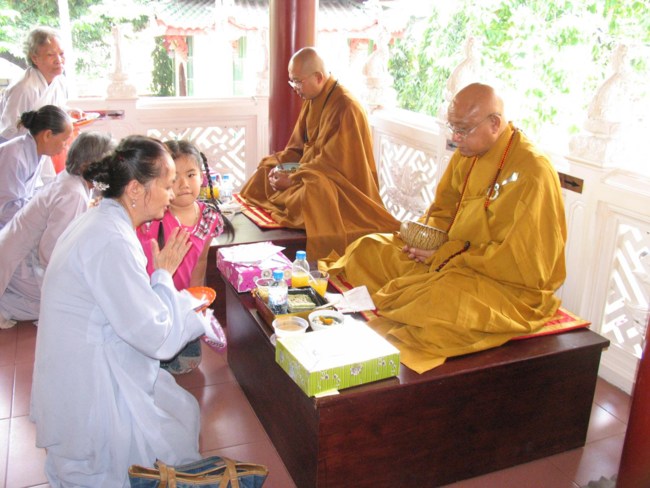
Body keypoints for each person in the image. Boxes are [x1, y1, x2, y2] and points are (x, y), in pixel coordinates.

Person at [321, 83, 567, 373]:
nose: (455, 138)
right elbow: (443, 210)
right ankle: (402, 297)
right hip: (446, 257)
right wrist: (426, 242)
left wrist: (447, 253)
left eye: (463, 130)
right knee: (368, 249)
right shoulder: (468, 153)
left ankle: (403, 308)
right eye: (453, 128)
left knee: (437, 303)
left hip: (497, 280)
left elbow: (525, 265)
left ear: (494, 123)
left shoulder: (533, 172)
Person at [30, 135, 220, 487]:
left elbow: (132, 306)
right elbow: (155, 336)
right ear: (135, 189)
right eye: (167, 184)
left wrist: (163, 277)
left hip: (87, 358)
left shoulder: (105, 220)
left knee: (179, 409)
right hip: (90, 377)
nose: (172, 194)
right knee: (164, 428)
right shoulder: (111, 239)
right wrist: (186, 304)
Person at [239, 46, 399, 259]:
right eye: (292, 81)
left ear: (318, 77)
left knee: (312, 194)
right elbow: (297, 148)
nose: (295, 88)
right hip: (310, 172)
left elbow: (332, 165)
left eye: (298, 82)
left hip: (341, 189)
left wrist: (293, 180)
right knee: (265, 170)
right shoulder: (312, 99)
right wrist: (280, 168)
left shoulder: (347, 107)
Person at [0, 131, 115, 329]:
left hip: (17, 254)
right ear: (89, 165)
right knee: (72, 302)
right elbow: (50, 253)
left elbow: (101, 187)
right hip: (20, 263)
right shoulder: (73, 193)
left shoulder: (71, 178)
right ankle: (5, 306)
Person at [137, 139, 233, 374]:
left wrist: (195, 307)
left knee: (188, 364)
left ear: (202, 177)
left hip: (181, 305)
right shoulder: (152, 216)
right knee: (151, 360)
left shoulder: (208, 218)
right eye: (175, 177)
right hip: (151, 303)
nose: (184, 184)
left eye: (191, 175)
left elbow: (200, 264)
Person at [0, 104, 73, 230]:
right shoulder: (14, 155)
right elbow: (6, 209)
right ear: (47, 135)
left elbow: (35, 191)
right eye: (64, 140)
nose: (65, 146)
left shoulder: (38, 152)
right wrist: (45, 209)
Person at [0, 27, 69, 142]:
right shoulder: (24, 88)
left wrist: (69, 112)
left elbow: (54, 110)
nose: (58, 60)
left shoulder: (59, 81)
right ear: (35, 58)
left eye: (61, 53)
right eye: (50, 54)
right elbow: (9, 131)